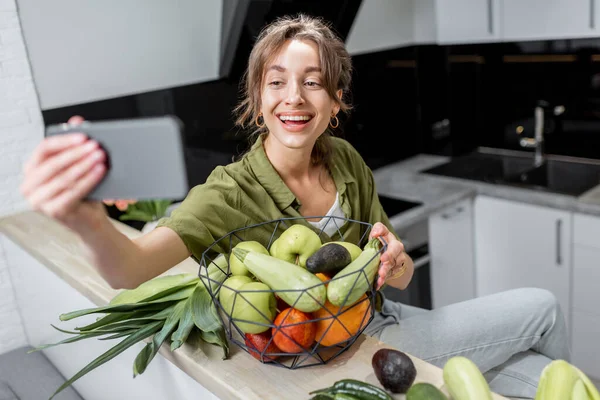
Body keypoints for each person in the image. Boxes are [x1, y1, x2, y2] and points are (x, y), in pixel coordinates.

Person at [20, 14, 569, 399]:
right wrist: (87, 220)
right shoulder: (230, 190)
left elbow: (394, 276)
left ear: (336, 101)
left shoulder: (347, 159)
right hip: (347, 350)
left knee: (542, 372)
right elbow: (129, 267)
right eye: (277, 82)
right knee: (543, 305)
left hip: (386, 319)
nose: (294, 98)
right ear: (258, 99)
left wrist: (394, 261)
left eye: (313, 83)